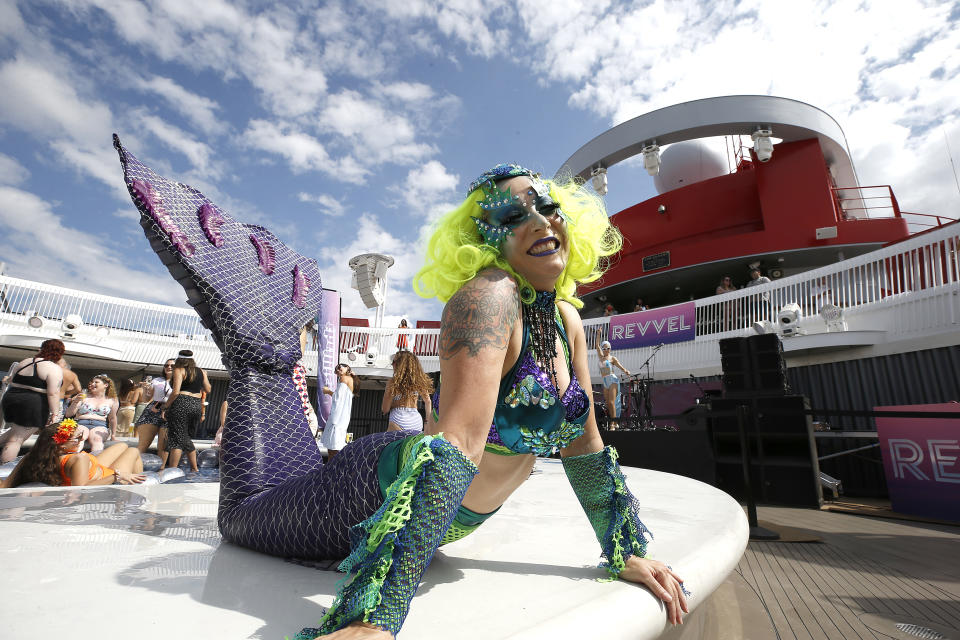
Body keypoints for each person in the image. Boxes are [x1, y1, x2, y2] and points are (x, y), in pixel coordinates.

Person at [114, 141, 687, 640]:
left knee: (280, 487)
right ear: (486, 240)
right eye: (514, 214)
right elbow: (458, 443)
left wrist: (626, 551)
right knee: (242, 518)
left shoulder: (565, 320)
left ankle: (271, 329)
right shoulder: (488, 298)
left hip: (435, 516)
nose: (539, 221)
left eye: (548, 208)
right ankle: (249, 326)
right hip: (372, 493)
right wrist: (379, 615)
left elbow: (585, 446)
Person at [1, 419, 145, 488]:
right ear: (61, 445)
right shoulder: (78, 458)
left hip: (93, 468)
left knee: (122, 445)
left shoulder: (33, 457)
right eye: (78, 438)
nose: (82, 440)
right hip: (105, 476)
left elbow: (6, 484)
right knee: (133, 451)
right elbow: (81, 489)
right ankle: (141, 490)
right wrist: (117, 476)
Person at [0, 339, 66, 463]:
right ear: (59, 353)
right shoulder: (53, 368)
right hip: (31, 403)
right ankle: (4, 473)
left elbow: (11, 379)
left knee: (14, 433)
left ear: (41, 349)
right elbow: (53, 392)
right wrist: (55, 413)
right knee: (16, 440)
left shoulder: (25, 362)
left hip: (11, 398)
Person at [163, 356, 210, 471]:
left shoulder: (179, 370)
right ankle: (194, 468)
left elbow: (175, 392)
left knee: (177, 438)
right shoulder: (201, 371)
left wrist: (165, 406)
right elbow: (208, 389)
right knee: (185, 437)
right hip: (196, 404)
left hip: (181, 403)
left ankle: (172, 470)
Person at [65, 374, 119, 454]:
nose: (92, 384)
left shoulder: (112, 400)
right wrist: (75, 402)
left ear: (105, 385)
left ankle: (97, 461)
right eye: (92, 382)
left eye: (96, 382)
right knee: (81, 437)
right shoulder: (84, 397)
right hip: (81, 423)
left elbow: (112, 418)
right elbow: (68, 414)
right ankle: (73, 458)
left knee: (97, 438)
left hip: (100, 425)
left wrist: (113, 435)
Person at [381, 350, 433, 432]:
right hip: (416, 421)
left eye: (394, 362)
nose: (392, 364)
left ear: (400, 364)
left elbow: (385, 409)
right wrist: (427, 422)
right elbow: (428, 401)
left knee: (388, 444)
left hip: (398, 419)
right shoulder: (419, 381)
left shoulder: (393, 382)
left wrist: (394, 403)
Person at [134, 359, 174, 462]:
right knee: (143, 445)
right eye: (166, 365)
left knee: (163, 446)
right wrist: (146, 390)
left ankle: (161, 470)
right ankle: (132, 466)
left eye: (172, 366)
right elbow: (146, 399)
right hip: (153, 409)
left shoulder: (181, 382)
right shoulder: (157, 380)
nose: (169, 367)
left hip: (170, 412)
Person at [319, 363, 358, 459]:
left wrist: (327, 391)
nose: (339, 367)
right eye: (337, 368)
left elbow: (337, 397)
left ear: (348, 368)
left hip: (337, 417)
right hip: (343, 416)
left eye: (342, 366)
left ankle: (331, 470)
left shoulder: (344, 378)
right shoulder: (352, 380)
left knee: (333, 449)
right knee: (335, 446)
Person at [597, 340, 630, 429]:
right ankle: (613, 421)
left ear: (610, 349)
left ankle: (613, 423)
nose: (606, 350)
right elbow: (597, 345)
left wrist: (625, 371)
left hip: (612, 380)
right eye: (604, 348)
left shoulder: (612, 358)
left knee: (612, 402)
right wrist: (598, 334)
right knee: (608, 404)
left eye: (608, 348)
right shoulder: (601, 357)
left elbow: (620, 366)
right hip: (605, 381)